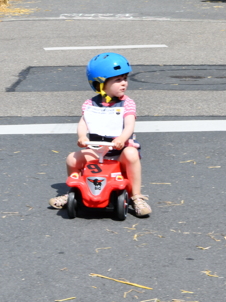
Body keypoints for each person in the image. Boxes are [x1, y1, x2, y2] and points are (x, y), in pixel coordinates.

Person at [48, 53, 151, 217]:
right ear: (100, 83)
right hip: (97, 150)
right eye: (117, 80)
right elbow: (83, 122)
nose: (123, 83)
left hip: (118, 152)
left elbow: (130, 124)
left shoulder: (127, 103)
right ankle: (74, 191)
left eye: (124, 78)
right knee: (72, 158)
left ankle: (136, 196)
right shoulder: (90, 104)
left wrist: (122, 139)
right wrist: (82, 137)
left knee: (131, 154)